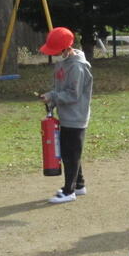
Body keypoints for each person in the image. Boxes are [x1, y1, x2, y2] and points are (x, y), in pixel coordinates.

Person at [39, 27, 93, 204]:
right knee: (70, 151)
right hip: (65, 115)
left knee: (71, 155)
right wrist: (51, 98)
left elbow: (73, 94)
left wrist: (53, 96)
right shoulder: (63, 63)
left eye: (55, 50)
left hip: (76, 117)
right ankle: (79, 185)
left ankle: (69, 191)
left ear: (66, 49)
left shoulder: (77, 67)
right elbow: (60, 88)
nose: (53, 54)